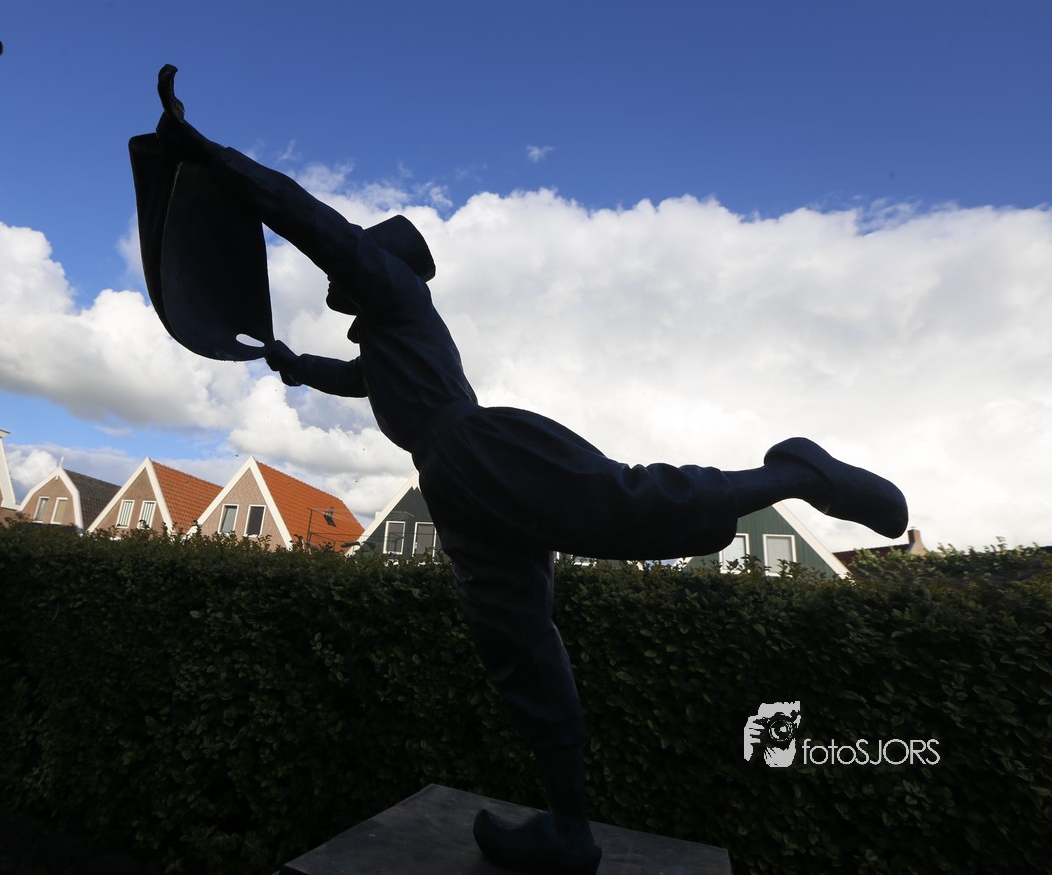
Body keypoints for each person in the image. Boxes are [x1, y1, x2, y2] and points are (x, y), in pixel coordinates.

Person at [144, 65, 907, 875]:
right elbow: (357, 377)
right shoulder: (387, 336)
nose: (343, 269)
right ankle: (569, 830)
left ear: (382, 261)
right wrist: (295, 365)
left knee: (626, 506)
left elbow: (308, 219)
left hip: (480, 451)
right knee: (519, 650)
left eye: (357, 257)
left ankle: (795, 475)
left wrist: (208, 152)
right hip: (454, 487)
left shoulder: (395, 292)